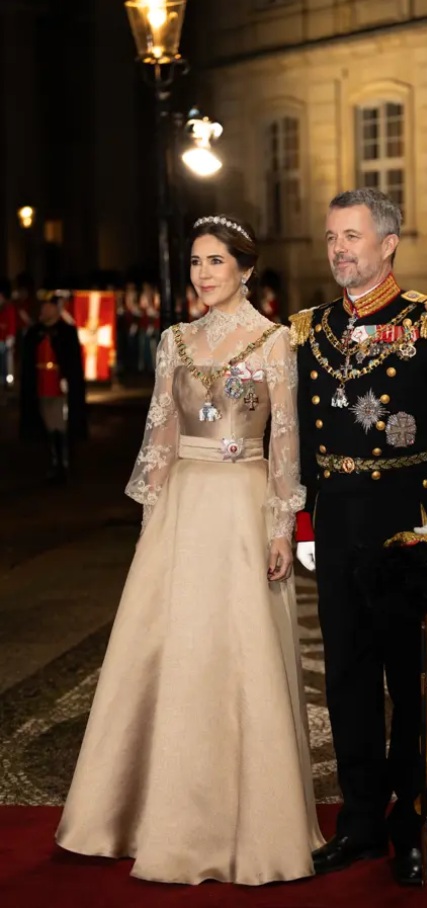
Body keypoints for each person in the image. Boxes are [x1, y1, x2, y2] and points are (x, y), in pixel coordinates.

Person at [56, 215, 324, 886]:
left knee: (241, 656)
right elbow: (162, 437)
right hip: (183, 510)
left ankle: (256, 824)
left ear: (245, 269)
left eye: (215, 261)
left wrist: (278, 528)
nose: (203, 273)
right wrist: (153, 524)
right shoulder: (175, 342)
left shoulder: (275, 341)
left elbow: (288, 441)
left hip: (242, 505)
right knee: (173, 654)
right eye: (197, 262)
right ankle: (149, 815)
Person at [290, 188, 427, 885]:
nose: (340, 249)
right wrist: (304, 520)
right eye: (331, 237)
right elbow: (298, 446)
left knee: (408, 686)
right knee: (344, 681)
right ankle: (361, 824)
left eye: (352, 236)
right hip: (337, 525)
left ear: (388, 243)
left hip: (407, 526)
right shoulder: (308, 330)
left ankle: (412, 829)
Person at [19, 292, 87, 483]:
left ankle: (64, 464)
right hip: (41, 383)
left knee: (60, 423)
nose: (43, 311)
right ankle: (54, 462)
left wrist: (67, 379)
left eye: (47, 307)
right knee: (48, 424)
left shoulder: (66, 331)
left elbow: (71, 360)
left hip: (58, 384)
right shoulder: (35, 332)